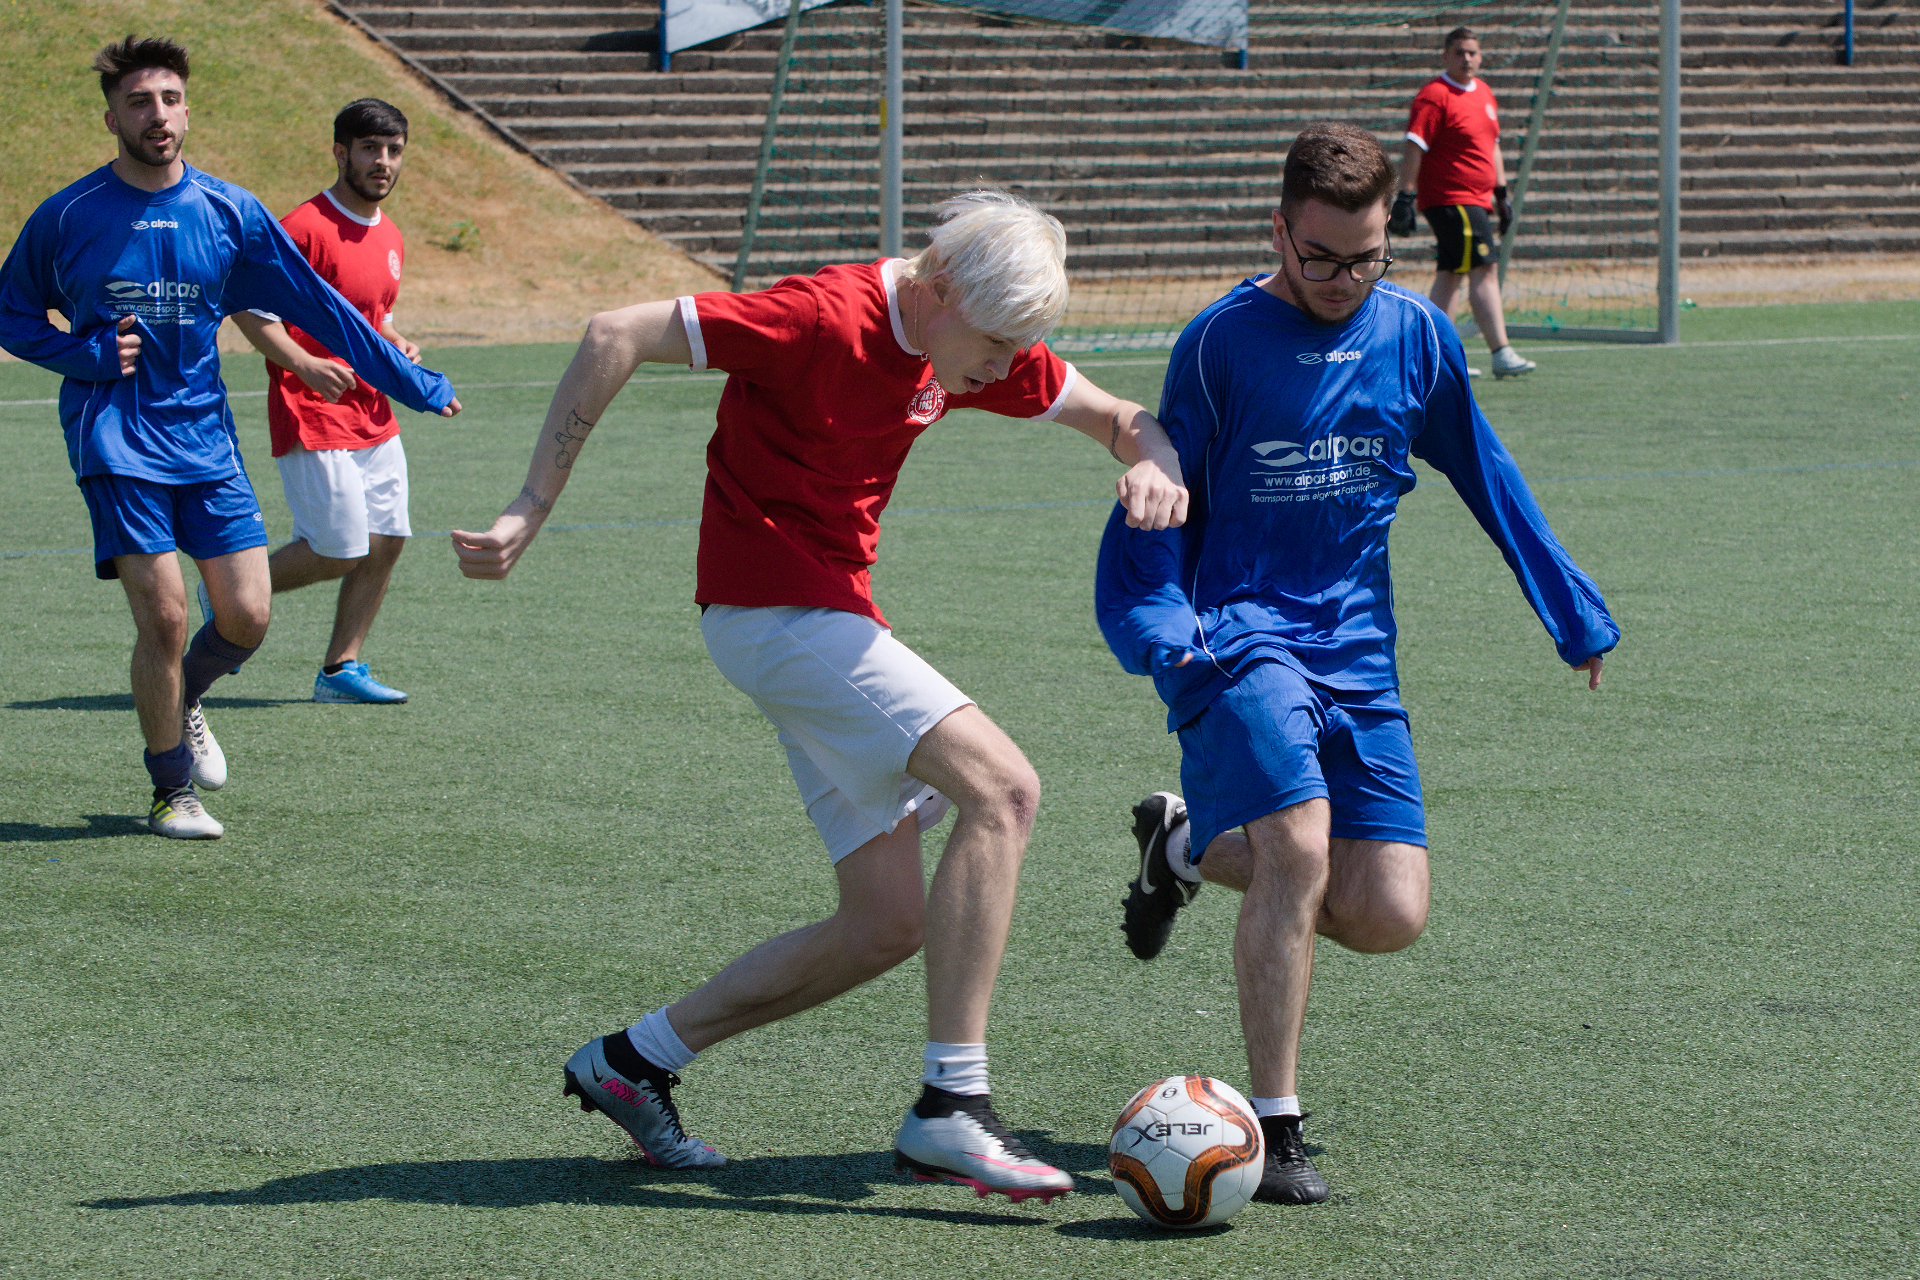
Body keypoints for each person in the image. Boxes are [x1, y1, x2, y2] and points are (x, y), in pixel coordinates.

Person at [451, 191, 1188, 1202]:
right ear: (938, 289)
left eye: (1022, 344)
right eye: (997, 341)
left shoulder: (964, 343)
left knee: (884, 923)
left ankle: (635, 1059)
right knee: (1005, 790)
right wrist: (530, 504)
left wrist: (1157, 464)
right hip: (773, 613)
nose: (1008, 364)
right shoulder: (819, 317)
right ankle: (952, 1104)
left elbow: (1117, 417)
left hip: (819, 621)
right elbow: (614, 330)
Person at [1097, 122, 1616, 1206]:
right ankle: (1278, 1127)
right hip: (1236, 630)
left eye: (1368, 258)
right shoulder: (1219, 342)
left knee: (1386, 912)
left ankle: (1182, 845)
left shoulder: (1417, 334)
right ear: (1279, 233)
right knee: (1297, 845)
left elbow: (1485, 468)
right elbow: (1161, 485)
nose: (1343, 281)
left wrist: (1572, 610)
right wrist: (1157, 621)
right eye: (1322, 257)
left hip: (1358, 648)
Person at [0, 38, 460, 839]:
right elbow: (11, 314)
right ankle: (171, 790)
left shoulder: (231, 211)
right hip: (115, 437)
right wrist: (86, 355)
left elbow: (322, 308)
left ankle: (186, 696)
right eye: (139, 102)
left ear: (187, 112)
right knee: (165, 618)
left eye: (170, 99)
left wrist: (410, 381)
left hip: (205, 440)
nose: (158, 115)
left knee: (247, 615)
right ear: (112, 119)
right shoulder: (69, 214)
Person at [231, 98, 426, 704]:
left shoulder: (390, 234)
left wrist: (397, 343)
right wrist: (304, 364)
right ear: (341, 153)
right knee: (337, 549)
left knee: (388, 537)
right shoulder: (302, 227)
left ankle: (341, 670)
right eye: (370, 149)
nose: (383, 162)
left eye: (393, 150)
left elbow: (376, 317)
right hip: (311, 407)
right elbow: (249, 308)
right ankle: (229, 595)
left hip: (373, 410)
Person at [1389, 27, 1537, 379]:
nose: (1466, 59)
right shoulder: (1434, 95)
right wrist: (1405, 195)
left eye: (1472, 52)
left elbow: (1492, 146)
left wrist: (1501, 194)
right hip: (1453, 199)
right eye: (1458, 52)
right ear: (1445, 56)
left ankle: (1435, 357)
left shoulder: (1483, 92)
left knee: (1451, 274)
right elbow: (1415, 145)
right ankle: (1500, 351)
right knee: (1483, 270)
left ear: (1481, 56)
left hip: (1477, 200)